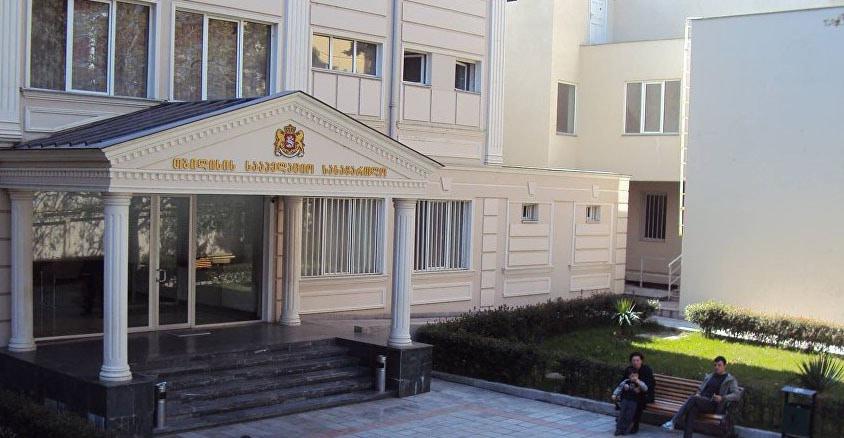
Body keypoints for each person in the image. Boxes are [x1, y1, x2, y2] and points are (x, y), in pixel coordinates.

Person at [661, 356, 742, 438]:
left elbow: (736, 395)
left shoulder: (730, 379)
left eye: (719, 365)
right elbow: (700, 389)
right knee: (692, 410)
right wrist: (698, 394)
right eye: (715, 365)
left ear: (725, 366)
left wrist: (722, 398)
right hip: (701, 402)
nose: (716, 367)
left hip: (713, 404)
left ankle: (673, 421)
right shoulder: (710, 376)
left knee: (693, 398)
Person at [612, 367, 649, 436]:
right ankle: (618, 429)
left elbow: (645, 388)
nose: (634, 377)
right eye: (632, 376)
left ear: (638, 376)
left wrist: (638, 382)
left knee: (629, 416)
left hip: (633, 402)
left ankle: (625, 429)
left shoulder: (640, 382)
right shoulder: (625, 382)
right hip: (625, 400)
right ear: (629, 376)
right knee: (622, 415)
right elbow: (619, 388)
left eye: (636, 376)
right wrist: (614, 394)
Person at [625, 352, 655, 434]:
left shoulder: (646, 369)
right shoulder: (629, 369)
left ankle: (635, 425)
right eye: (633, 360)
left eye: (637, 360)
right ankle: (624, 419)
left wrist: (640, 389)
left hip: (646, 394)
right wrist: (626, 387)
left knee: (637, 401)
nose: (635, 362)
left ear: (641, 361)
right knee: (624, 398)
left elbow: (651, 384)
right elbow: (624, 381)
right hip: (632, 392)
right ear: (631, 361)